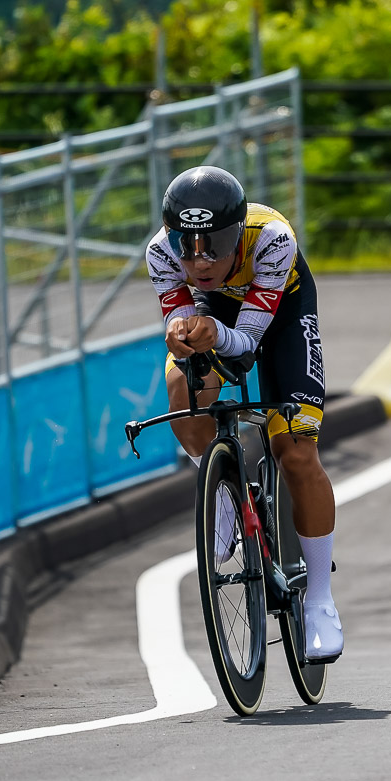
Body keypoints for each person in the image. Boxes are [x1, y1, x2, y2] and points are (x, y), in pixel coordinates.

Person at [145, 165, 343, 661]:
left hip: (280, 315)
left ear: (238, 234)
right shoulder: (158, 254)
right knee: (183, 391)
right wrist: (183, 335)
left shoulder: (272, 239)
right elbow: (183, 324)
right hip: (215, 314)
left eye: (215, 243)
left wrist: (214, 335)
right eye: (187, 246)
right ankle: (226, 497)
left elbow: (248, 343)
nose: (200, 259)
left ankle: (319, 600)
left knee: (295, 451)